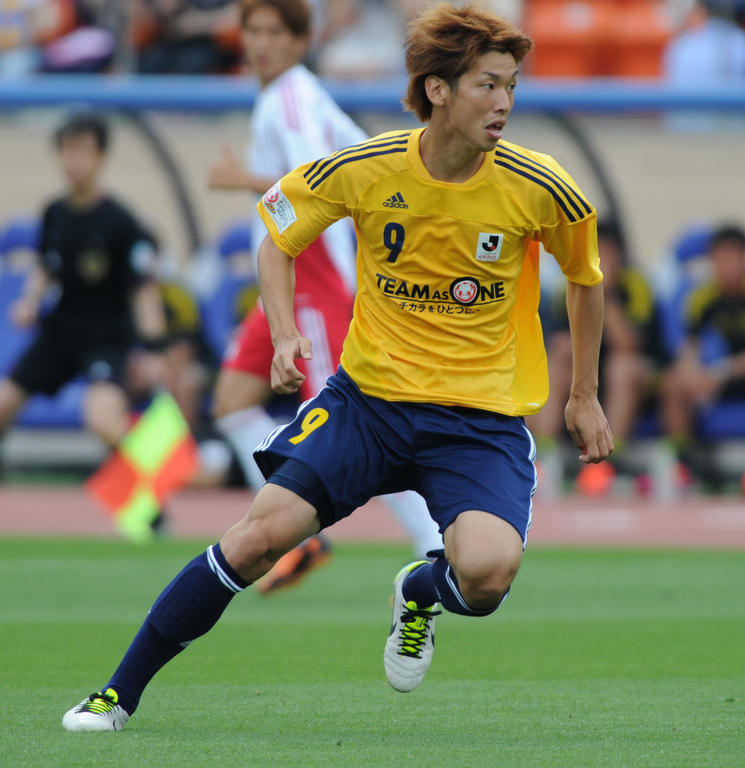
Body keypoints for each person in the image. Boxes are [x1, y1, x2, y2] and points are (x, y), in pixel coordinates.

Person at [62, 2, 612, 731]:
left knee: (486, 579)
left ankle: (421, 588)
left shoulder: (540, 185)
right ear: (439, 90)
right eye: (487, 84)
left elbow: (586, 278)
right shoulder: (367, 168)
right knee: (255, 540)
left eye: (511, 85)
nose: (505, 102)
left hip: (478, 423)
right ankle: (116, 693)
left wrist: (584, 395)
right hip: (368, 407)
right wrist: (285, 332)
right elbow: (276, 237)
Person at [206, 0, 441, 594]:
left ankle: (432, 540)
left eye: (272, 32)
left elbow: (319, 174)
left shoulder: (292, 97)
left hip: (319, 272)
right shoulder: (280, 96)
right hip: (286, 277)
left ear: (300, 40)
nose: (259, 43)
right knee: (233, 400)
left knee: (353, 424)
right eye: (251, 30)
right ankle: (305, 535)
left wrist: (242, 180)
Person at [0, 113, 167, 462]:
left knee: (103, 420)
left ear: (102, 158)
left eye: (82, 152)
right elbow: (48, 265)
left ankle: (152, 505)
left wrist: (154, 350)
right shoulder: (53, 213)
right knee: (3, 404)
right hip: (60, 332)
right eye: (66, 152)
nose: (73, 162)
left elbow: (143, 289)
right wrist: (30, 301)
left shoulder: (121, 222)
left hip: (106, 338)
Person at [529, 221, 659, 495]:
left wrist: (604, 293)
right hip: (584, 372)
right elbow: (554, 340)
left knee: (620, 367)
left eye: (605, 251)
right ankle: (544, 452)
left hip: (637, 374)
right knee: (560, 354)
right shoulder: (567, 284)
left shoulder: (636, 287)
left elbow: (627, 344)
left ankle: (608, 459)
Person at [661, 223, 745, 485]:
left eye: (733, 257)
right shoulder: (702, 296)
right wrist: (693, 374)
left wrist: (722, 371)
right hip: (721, 376)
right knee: (675, 381)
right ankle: (686, 462)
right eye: (720, 258)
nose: (726, 265)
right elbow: (688, 348)